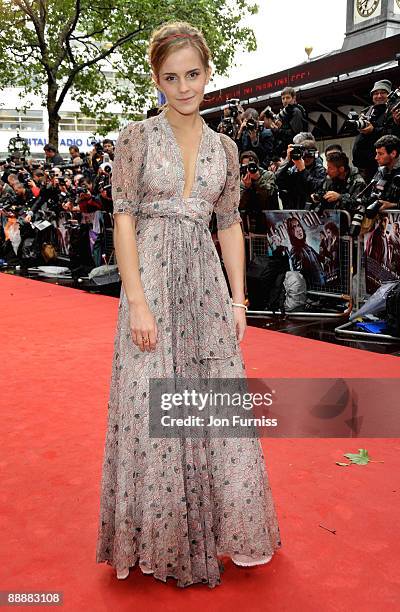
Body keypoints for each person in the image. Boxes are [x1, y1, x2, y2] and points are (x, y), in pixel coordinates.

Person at [96, 20, 281, 589]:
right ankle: (159, 537)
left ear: (208, 74)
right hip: (150, 276)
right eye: (172, 77)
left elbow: (229, 225)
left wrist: (239, 299)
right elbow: (124, 221)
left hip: (204, 285)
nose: (184, 87)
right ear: (156, 79)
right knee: (150, 405)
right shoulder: (134, 139)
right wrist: (138, 303)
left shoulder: (226, 148)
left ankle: (220, 531)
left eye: (193, 75)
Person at [286, 216, 325, 287]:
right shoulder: (295, 250)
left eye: (298, 225)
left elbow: (320, 258)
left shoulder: (306, 246)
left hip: (321, 285)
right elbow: (300, 276)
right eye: (294, 227)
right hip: (313, 289)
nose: (298, 229)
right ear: (291, 232)